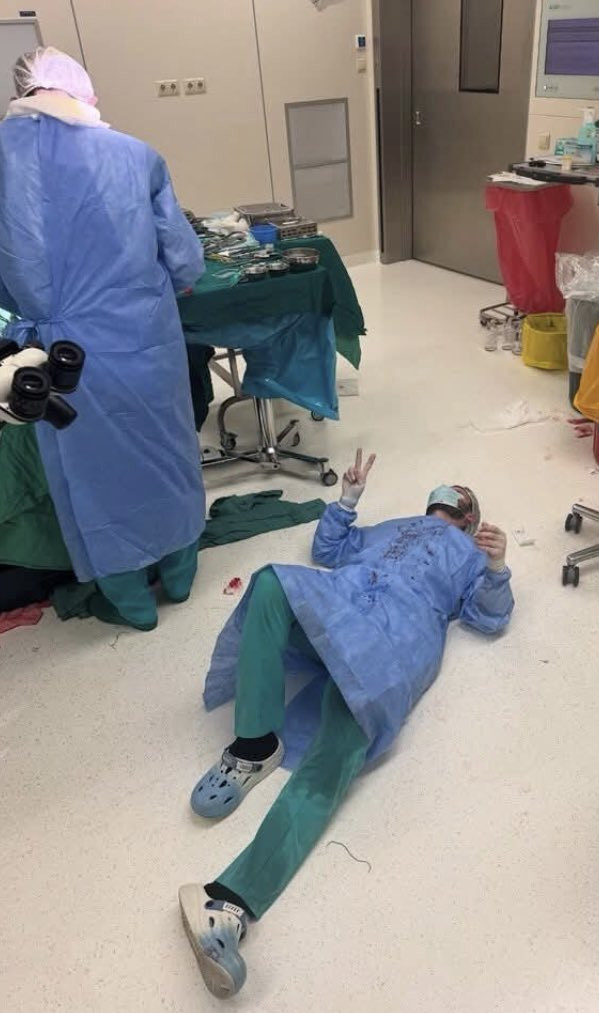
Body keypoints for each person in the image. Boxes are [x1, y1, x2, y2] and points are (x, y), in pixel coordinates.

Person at [179, 449, 514, 998]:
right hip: (342, 601)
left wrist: (497, 567)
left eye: (459, 501)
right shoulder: (394, 528)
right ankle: (254, 744)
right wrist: (347, 502)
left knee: (340, 744)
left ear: (470, 519)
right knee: (272, 583)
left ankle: (231, 903)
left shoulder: (470, 552)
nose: (447, 500)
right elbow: (329, 551)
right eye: (442, 495)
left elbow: (489, 617)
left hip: (400, 633)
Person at [0, 47, 205, 631]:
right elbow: (185, 262)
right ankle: (181, 577)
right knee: (166, 456)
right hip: (144, 338)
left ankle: (132, 603)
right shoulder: (135, 155)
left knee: (92, 477)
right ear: (79, 90)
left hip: (60, 356)